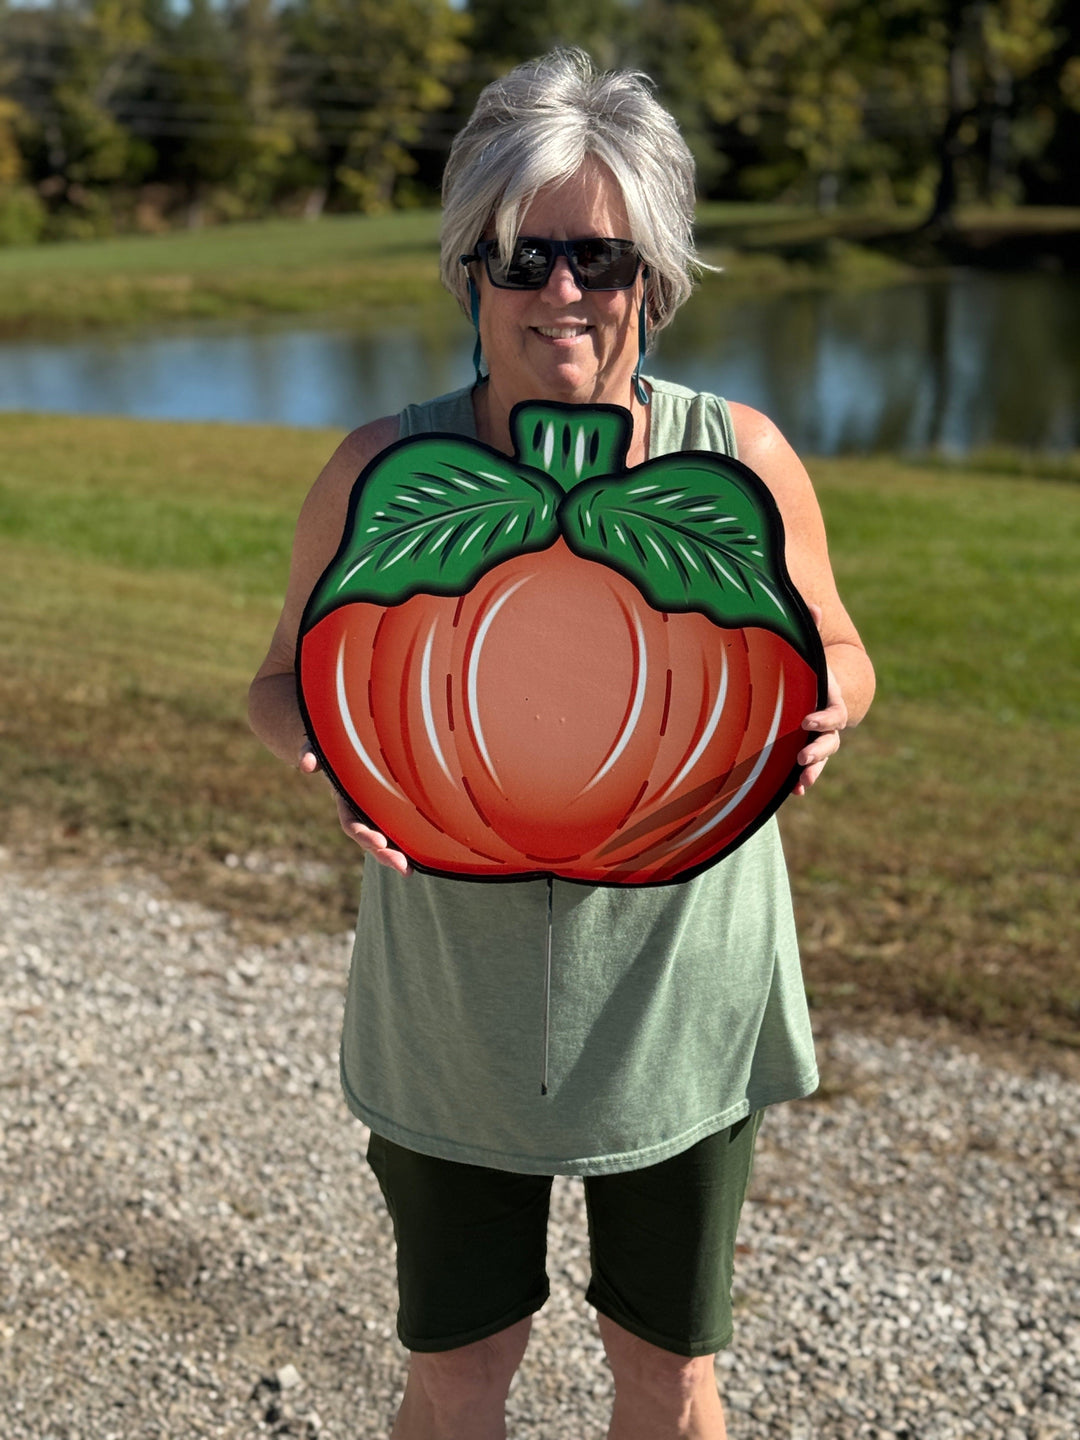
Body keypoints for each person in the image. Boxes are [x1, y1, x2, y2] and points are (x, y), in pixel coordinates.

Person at [249, 47, 875, 1440]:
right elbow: (280, 680)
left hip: (680, 997)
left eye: (600, 257)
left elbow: (840, 647)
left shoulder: (743, 459)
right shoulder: (378, 471)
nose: (563, 292)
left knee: (668, 1372)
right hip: (452, 1009)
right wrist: (328, 751)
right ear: (470, 272)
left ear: (655, 276)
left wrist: (834, 703)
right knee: (459, 1373)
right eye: (523, 256)